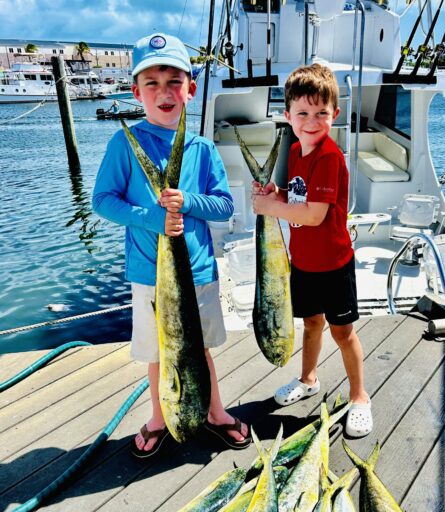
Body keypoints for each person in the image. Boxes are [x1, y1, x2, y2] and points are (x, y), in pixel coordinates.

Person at [93, 33, 251, 457]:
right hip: (150, 277)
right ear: (136, 91)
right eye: (152, 83)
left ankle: (215, 412)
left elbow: (222, 206)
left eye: (174, 82)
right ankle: (159, 418)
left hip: (197, 271)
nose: (164, 92)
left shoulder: (202, 148)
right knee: (158, 352)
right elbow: (103, 201)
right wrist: (154, 219)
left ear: (191, 89)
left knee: (197, 350)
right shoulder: (124, 145)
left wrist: (188, 202)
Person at [252, 64, 373, 437]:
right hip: (302, 262)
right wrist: (279, 195)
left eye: (321, 113)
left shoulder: (329, 156)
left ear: (334, 114)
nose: (312, 121)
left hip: (334, 264)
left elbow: (316, 215)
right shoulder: (296, 151)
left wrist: (271, 209)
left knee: (342, 332)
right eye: (302, 113)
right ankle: (308, 378)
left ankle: (359, 397)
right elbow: (301, 196)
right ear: (287, 115)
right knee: (311, 324)